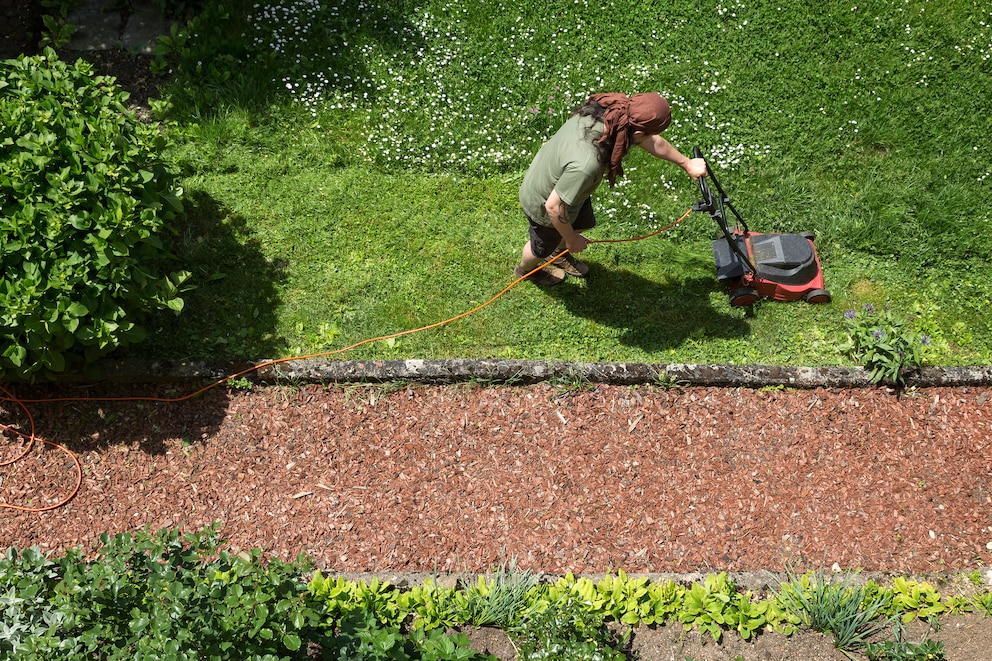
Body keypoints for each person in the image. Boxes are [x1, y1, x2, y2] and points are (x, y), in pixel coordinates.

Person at [515, 92, 707, 286]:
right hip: (544, 199)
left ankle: (558, 252)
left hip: (569, 188)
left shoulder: (612, 111)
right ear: (639, 134)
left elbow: (650, 140)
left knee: (584, 222)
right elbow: (554, 208)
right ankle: (527, 270)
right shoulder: (587, 164)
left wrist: (686, 163)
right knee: (540, 247)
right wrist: (572, 239)